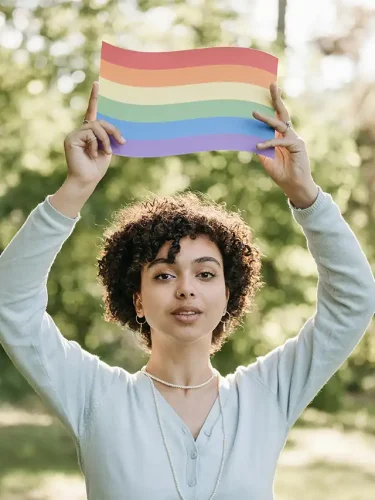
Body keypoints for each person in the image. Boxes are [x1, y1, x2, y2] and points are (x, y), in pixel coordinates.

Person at [0, 80, 374, 500]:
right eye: (163, 275)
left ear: (229, 295)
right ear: (137, 297)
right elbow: (11, 304)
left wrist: (305, 194)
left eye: (206, 274)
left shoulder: (267, 395)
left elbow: (353, 300)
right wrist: (76, 189)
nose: (186, 290)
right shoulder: (95, 398)